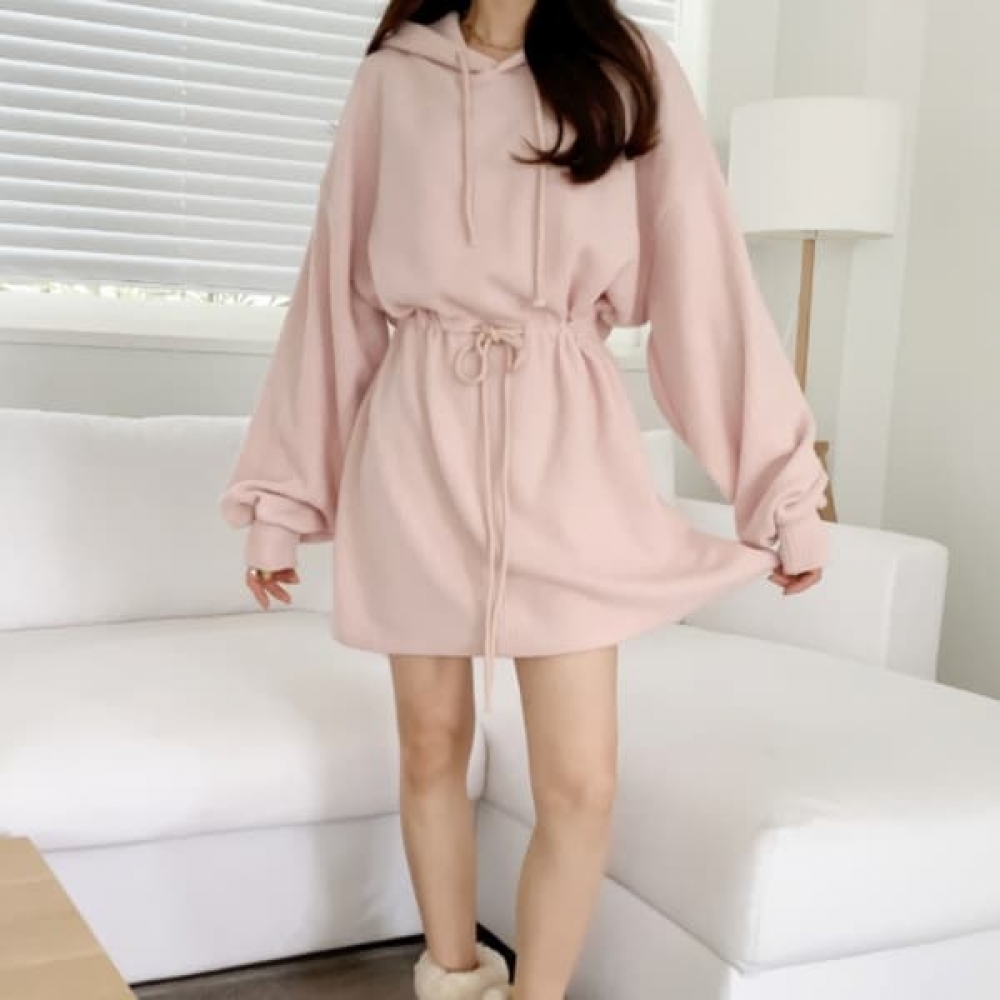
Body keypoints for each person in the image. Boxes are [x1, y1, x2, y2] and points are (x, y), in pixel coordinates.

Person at [218, 0, 829, 997]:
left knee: (581, 781)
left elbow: (705, 285)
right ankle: (453, 976)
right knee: (430, 744)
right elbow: (333, 298)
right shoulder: (392, 79)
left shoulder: (629, 67)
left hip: (566, 445)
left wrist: (781, 487)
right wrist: (282, 500)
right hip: (415, 442)